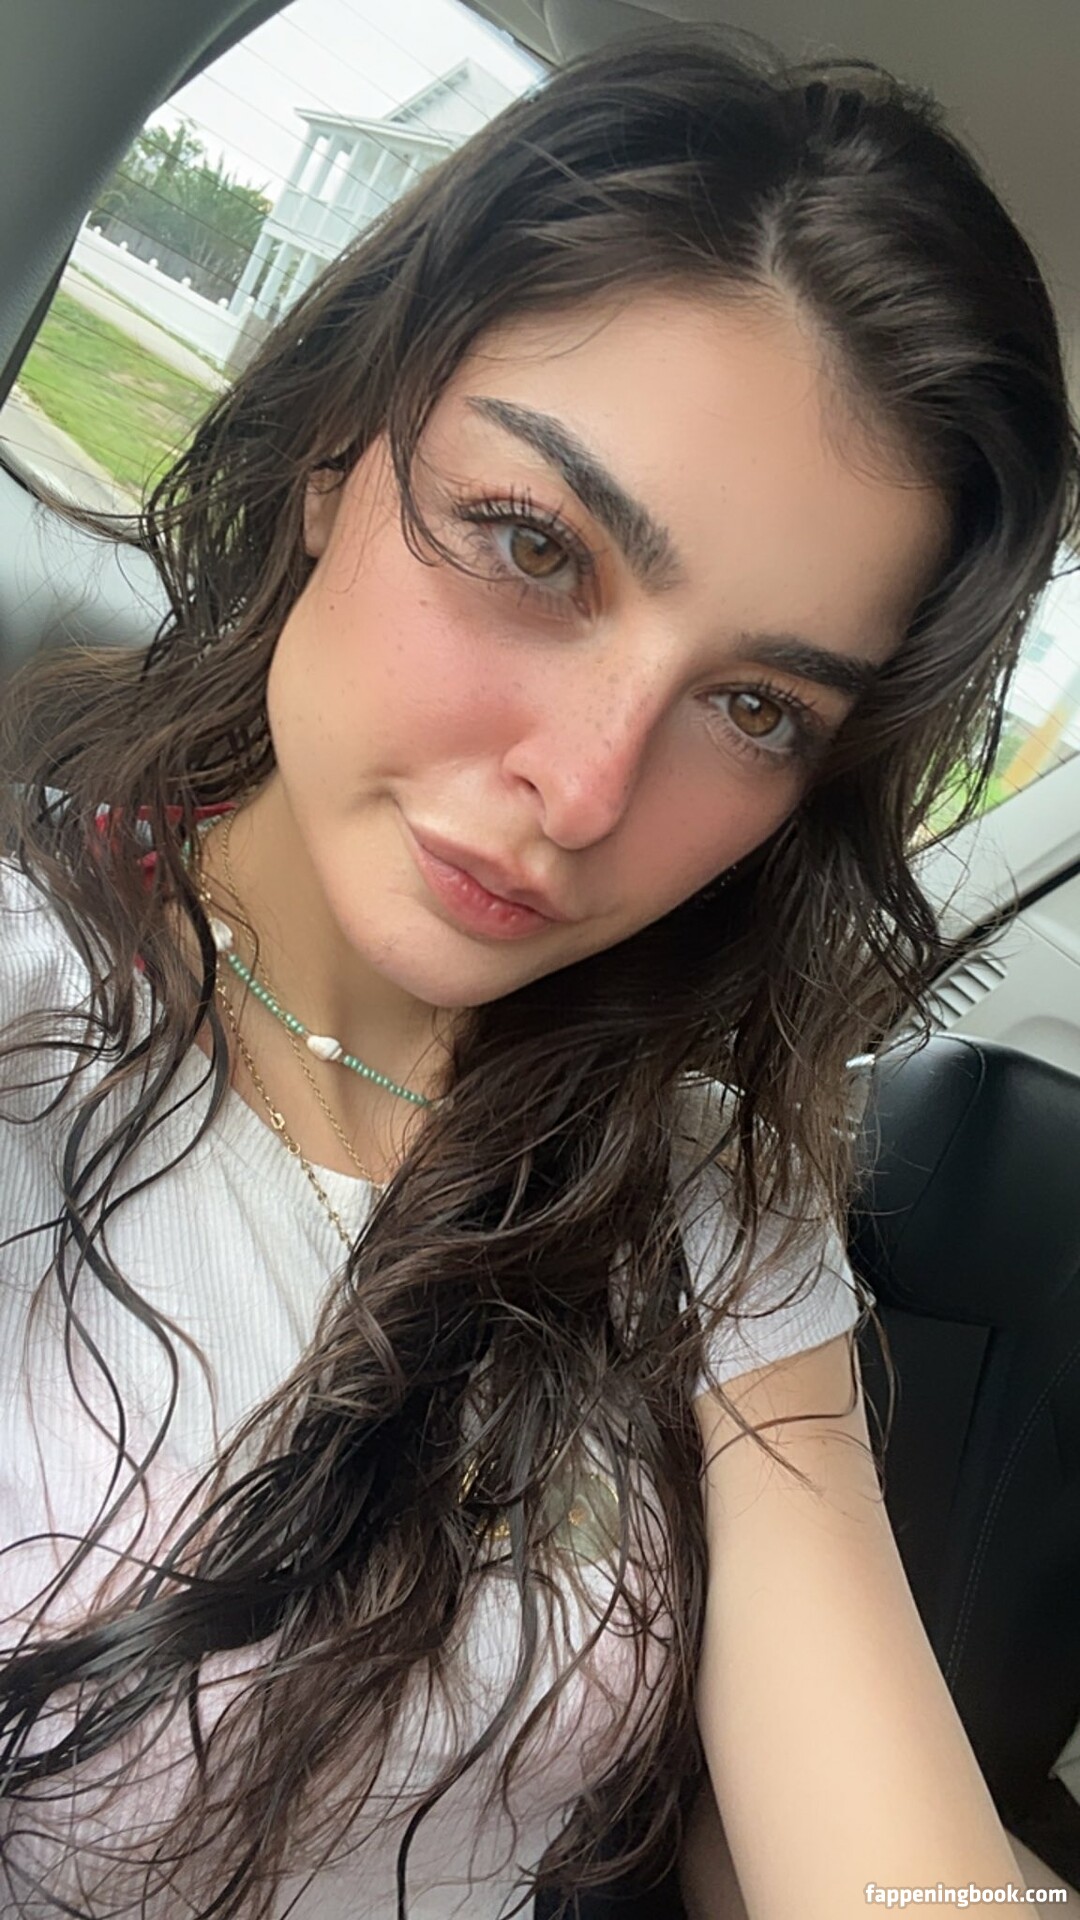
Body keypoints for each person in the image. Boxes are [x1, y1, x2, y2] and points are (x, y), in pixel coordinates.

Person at [0, 25, 1077, 1920]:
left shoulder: (712, 1198)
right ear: (340, 452)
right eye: (534, 545)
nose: (584, 793)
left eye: (755, 705)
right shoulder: (33, 1025)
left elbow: (895, 1859)